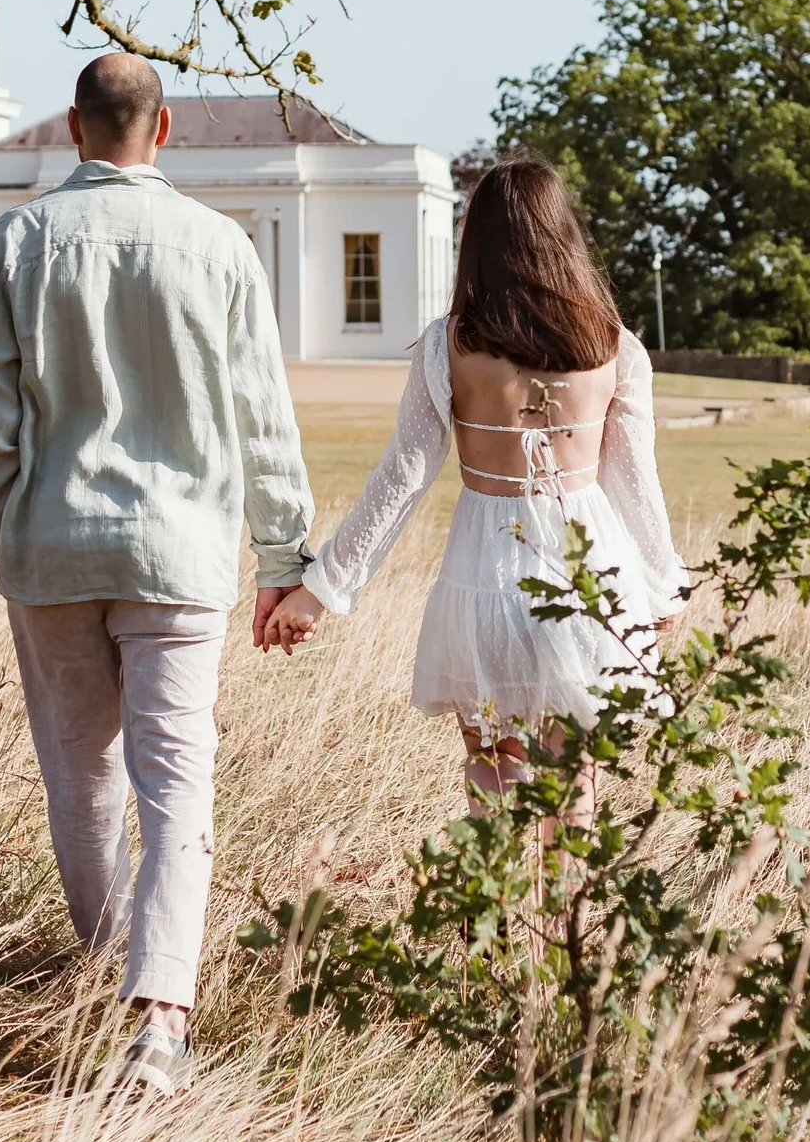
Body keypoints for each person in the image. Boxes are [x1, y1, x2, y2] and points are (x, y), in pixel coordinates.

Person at [0, 53, 312, 1096]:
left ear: (73, 126)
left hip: (53, 544)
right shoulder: (219, 244)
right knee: (176, 781)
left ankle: (108, 973)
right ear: (163, 133)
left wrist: (1, 530)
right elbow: (262, 416)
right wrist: (284, 552)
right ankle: (157, 1015)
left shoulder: (20, 239)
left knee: (83, 782)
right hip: (182, 553)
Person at [260, 154, 686, 799]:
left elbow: (401, 478)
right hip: (592, 574)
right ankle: (560, 900)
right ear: (563, 236)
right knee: (574, 785)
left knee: (493, 771)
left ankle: (500, 902)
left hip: (487, 571)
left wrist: (321, 589)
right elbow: (636, 483)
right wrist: (661, 589)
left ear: (476, 241)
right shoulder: (616, 346)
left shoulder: (445, 345)